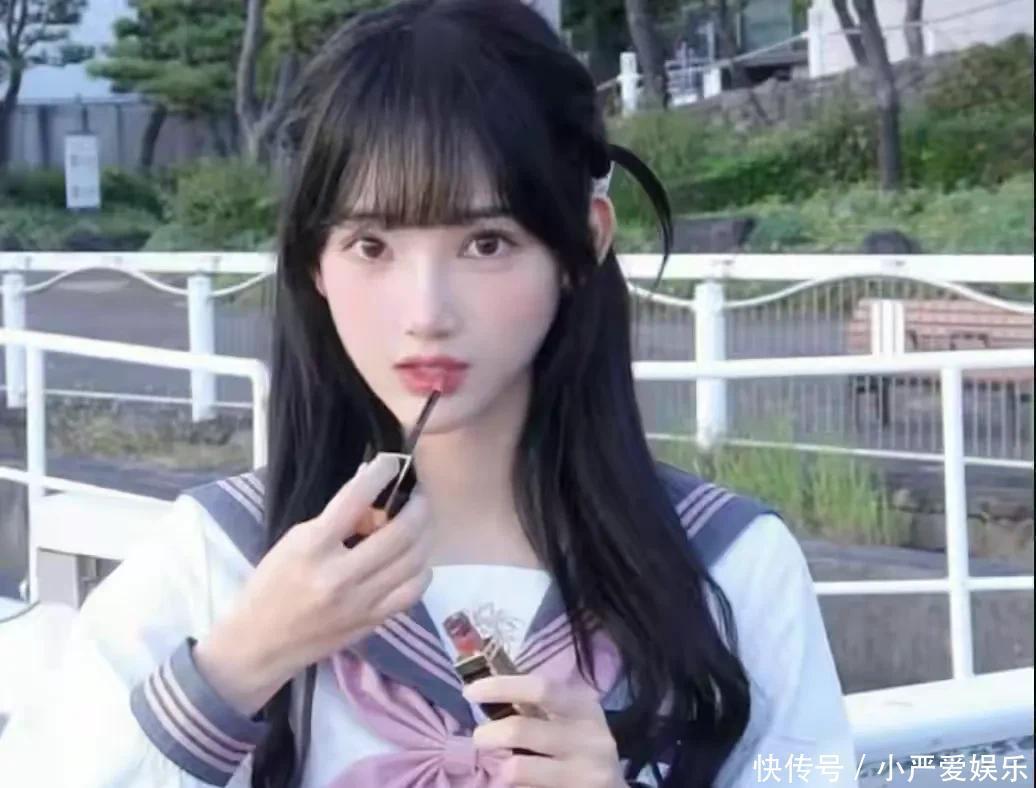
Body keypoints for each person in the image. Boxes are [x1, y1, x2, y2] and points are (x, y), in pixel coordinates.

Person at [0, 1, 856, 786]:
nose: (426, 314)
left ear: (583, 245)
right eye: (372, 246)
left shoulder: (731, 567)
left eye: (486, 243)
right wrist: (235, 667)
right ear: (314, 264)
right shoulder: (217, 561)